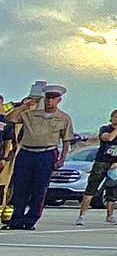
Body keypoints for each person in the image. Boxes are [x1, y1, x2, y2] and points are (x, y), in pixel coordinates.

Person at [3, 84, 74, 230]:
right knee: (20, 188)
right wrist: (24, 106)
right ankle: (17, 219)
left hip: (46, 154)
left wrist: (62, 159)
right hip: (26, 153)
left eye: (53, 99)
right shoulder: (31, 113)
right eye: (48, 99)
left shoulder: (64, 118)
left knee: (39, 189)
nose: (50, 102)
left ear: (59, 100)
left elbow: (66, 141)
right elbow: (9, 118)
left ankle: (30, 220)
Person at [76, 109, 117, 226]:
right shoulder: (105, 129)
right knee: (91, 188)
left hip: (115, 163)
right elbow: (108, 138)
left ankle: (110, 215)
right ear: (111, 118)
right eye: (116, 117)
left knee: (112, 189)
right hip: (102, 161)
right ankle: (82, 215)